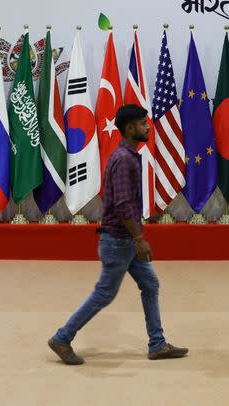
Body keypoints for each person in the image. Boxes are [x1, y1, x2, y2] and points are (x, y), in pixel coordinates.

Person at [48, 104, 188, 364]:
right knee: (104, 293)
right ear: (129, 128)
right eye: (142, 123)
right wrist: (139, 239)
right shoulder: (124, 160)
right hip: (120, 242)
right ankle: (62, 337)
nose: (147, 127)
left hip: (123, 241)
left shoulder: (127, 155)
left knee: (150, 284)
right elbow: (123, 205)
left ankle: (157, 344)